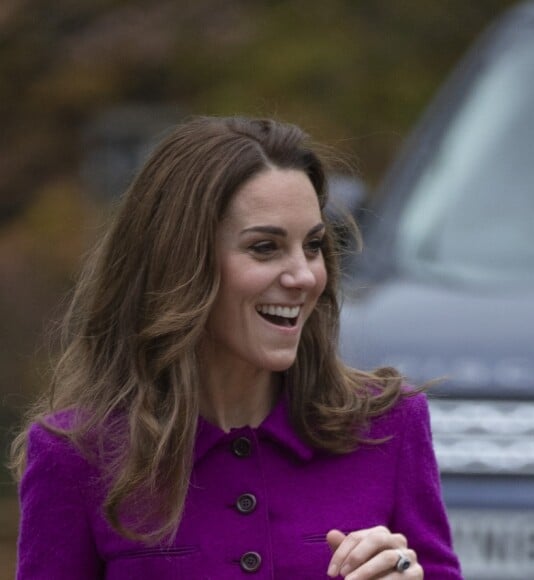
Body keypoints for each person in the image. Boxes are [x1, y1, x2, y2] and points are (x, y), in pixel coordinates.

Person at [11, 116, 462, 579]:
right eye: (265, 248)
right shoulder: (76, 457)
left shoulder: (390, 427)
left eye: (312, 246)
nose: (303, 276)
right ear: (181, 263)